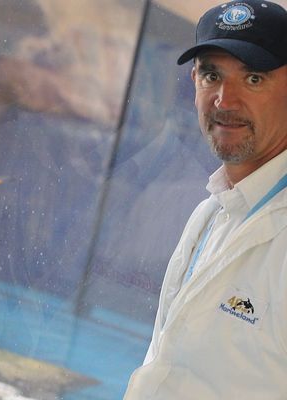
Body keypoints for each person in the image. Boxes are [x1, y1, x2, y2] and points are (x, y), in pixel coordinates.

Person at [123, 1, 287, 398]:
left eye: (253, 79)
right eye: (212, 75)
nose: (224, 101)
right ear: (194, 80)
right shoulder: (211, 211)